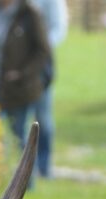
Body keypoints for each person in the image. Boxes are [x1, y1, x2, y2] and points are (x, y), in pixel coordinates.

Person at [0, 0, 50, 151]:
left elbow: (43, 51)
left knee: (21, 138)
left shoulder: (29, 14)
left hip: (17, 89)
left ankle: (27, 174)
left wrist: (22, 74)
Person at [28, 0, 66, 177]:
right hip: (16, 61)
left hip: (40, 63)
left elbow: (59, 28)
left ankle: (43, 166)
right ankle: (27, 170)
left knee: (42, 116)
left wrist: (40, 47)